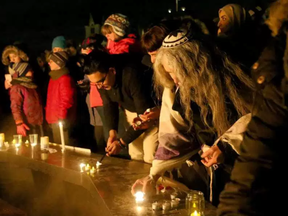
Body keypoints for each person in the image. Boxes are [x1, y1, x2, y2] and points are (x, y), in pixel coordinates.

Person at [132, 27, 255, 204]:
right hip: (214, 166)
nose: (173, 79)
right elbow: (174, 134)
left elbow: (259, 119)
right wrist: (154, 175)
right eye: (168, 73)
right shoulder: (177, 90)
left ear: (192, 64)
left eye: (175, 71)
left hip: (244, 163)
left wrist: (226, 146)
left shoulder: (232, 81)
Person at [217, 0, 288, 215]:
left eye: (225, 18)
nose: (220, 24)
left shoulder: (249, 51)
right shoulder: (274, 70)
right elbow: (262, 136)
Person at [83, 51, 158, 163]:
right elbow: (108, 104)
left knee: (150, 156)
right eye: (95, 84)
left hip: (151, 113)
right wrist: (112, 133)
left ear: (112, 71)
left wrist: (121, 142)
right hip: (132, 113)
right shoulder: (102, 81)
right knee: (135, 154)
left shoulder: (131, 74)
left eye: (100, 82)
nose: (99, 86)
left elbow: (144, 114)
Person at [2, 45, 43, 136]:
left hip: (37, 122)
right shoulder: (17, 87)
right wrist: (19, 122)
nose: (12, 59)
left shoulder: (32, 85)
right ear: (23, 72)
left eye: (14, 56)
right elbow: (15, 105)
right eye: (10, 57)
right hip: (27, 124)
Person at [46, 51, 77, 144]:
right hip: (54, 119)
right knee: (58, 145)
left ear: (58, 63)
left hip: (61, 120)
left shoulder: (64, 79)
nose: (49, 63)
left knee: (65, 145)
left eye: (51, 61)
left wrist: (61, 117)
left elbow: (66, 100)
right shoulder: (53, 77)